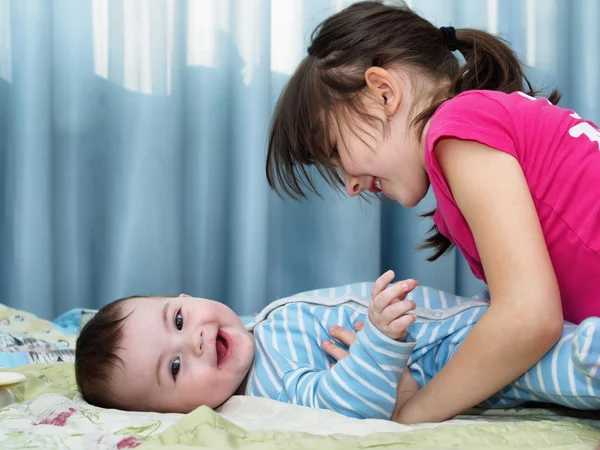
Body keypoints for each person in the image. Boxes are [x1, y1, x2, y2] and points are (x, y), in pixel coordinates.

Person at [265, 1, 600, 422]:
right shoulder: (477, 134)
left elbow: (528, 317)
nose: (349, 185)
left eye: (335, 152)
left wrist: (412, 414)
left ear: (383, 92)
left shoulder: (458, 127)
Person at [74, 272, 600, 418]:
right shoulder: (268, 390)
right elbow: (342, 405)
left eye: (180, 317)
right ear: (175, 412)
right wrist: (379, 341)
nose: (195, 340)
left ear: (186, 294)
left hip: (465, 324)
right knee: (566, 365)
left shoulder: (257, 330)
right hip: (452, 352)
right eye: (173, 368)